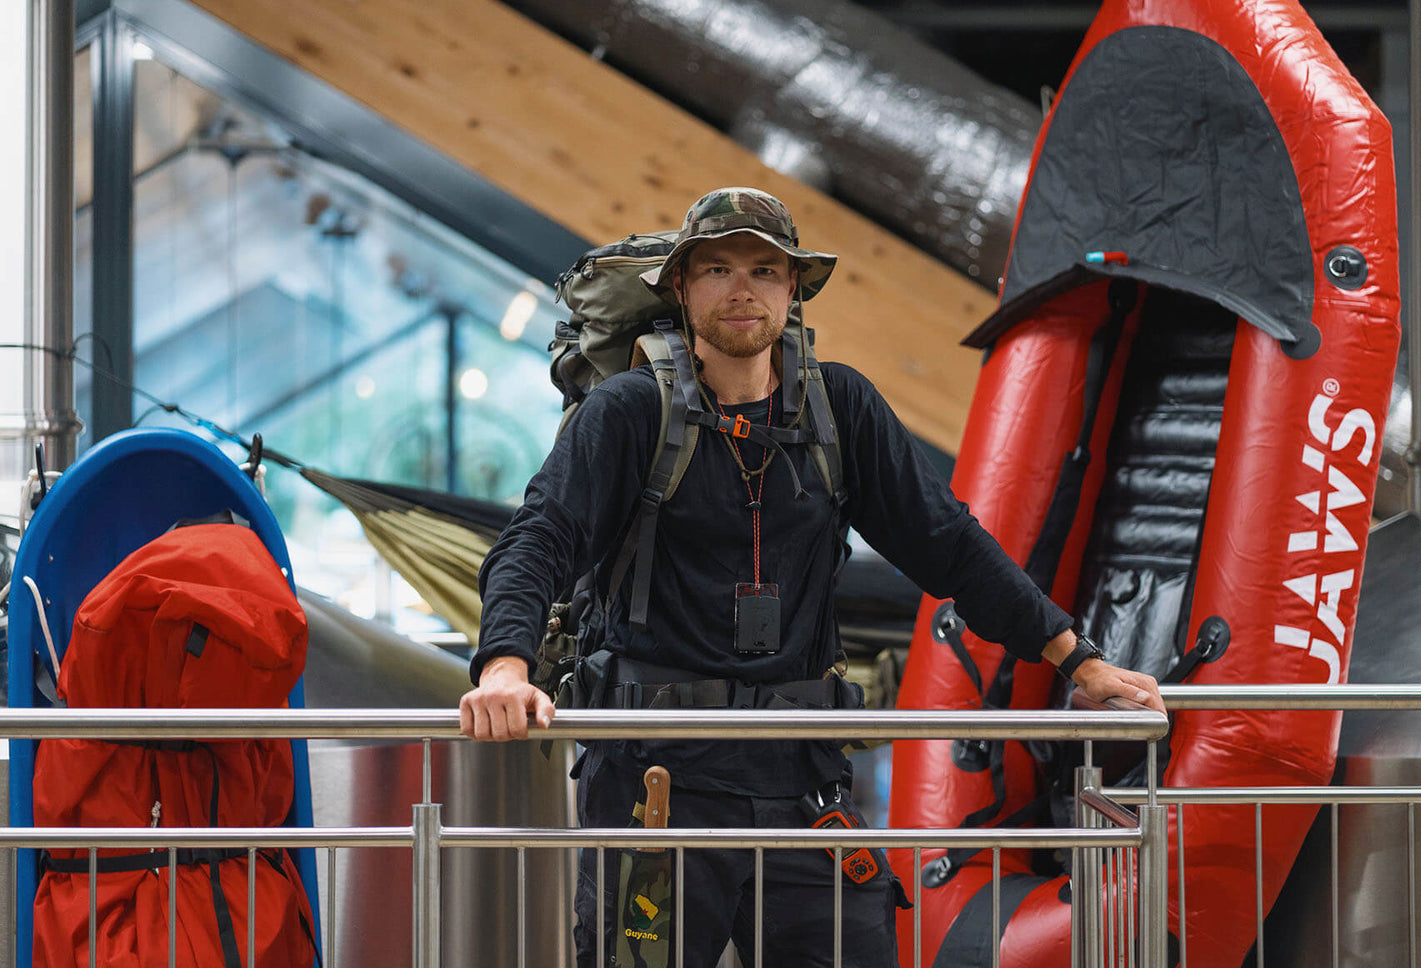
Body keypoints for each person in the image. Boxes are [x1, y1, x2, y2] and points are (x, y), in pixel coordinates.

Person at [460, 187, 1164, 966]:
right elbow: (540, 538)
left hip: (802, 784)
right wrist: (505, 665)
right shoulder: (630, 412)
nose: (742, 289)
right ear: (681, 287)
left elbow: (951, 546)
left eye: (764, 270)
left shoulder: (841, 408)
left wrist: (1080, 659)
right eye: (718, 269)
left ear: (792, 289)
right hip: (656, 784)